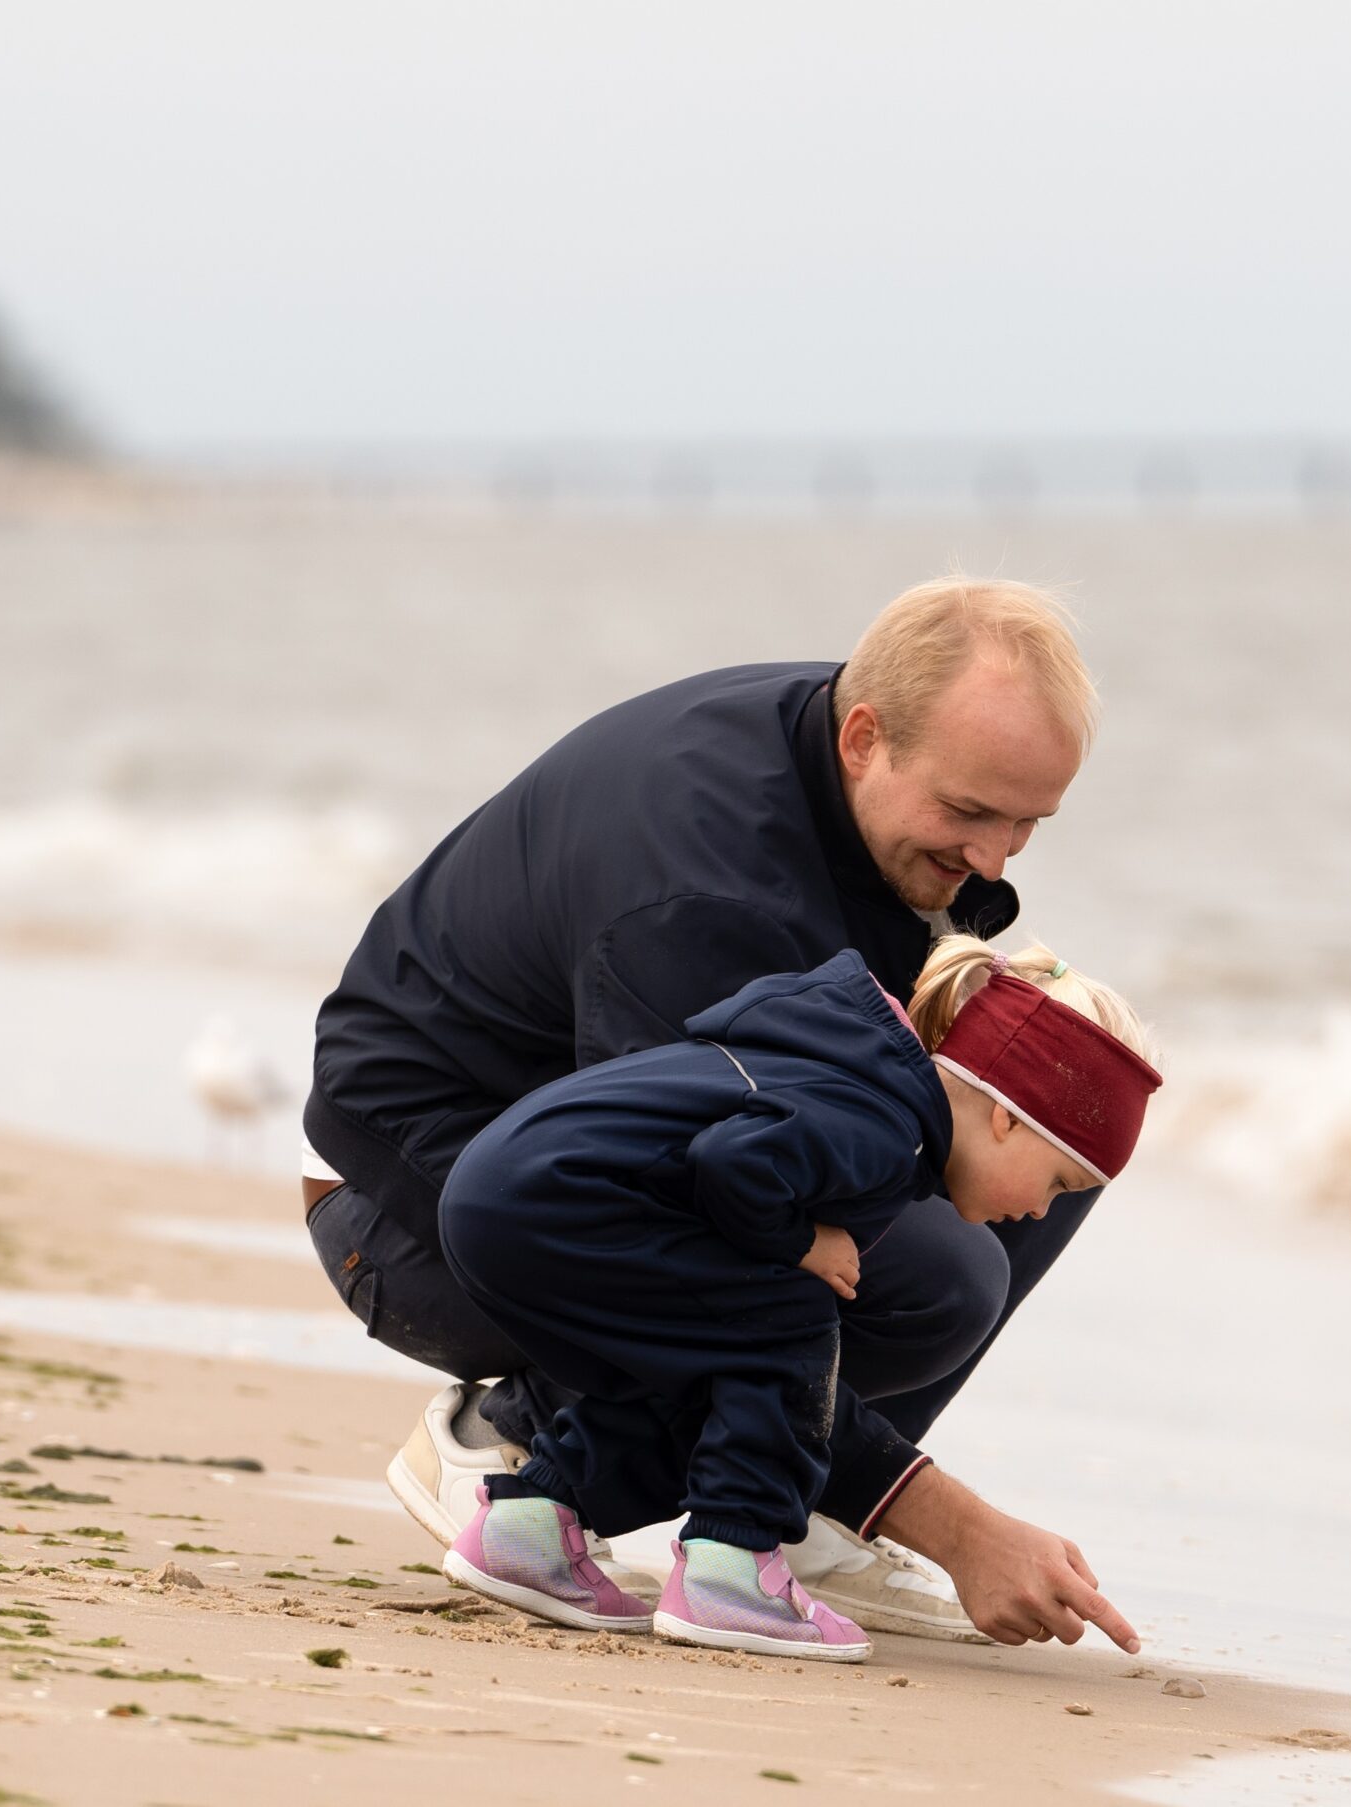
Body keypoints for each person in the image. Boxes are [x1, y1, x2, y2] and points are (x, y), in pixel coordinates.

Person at [301, 576, 1128, 1645]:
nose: (994, 860)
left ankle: (796, 1511)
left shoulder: (846, 752)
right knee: (924, 1280)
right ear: (865, 737)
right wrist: (953, 1525)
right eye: (969, 813)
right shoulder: (709, 896)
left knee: (1047, 1127)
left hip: (587, 1157)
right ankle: (516, 1443)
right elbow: (695, 1233)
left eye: (1027, 823)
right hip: (415, 1209)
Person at [435, 940, 1161, 1659]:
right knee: (793, 1327)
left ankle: (530, 1524)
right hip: (558, 1205)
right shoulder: (885, 1127)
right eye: (1060, 1182)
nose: (1042, 1211)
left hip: (509, 1194)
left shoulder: (860, 1072)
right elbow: (733, 1159)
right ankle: (734, 1564)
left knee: (709, 1367)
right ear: (1006, 1116)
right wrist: (798, 1240)